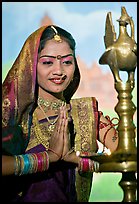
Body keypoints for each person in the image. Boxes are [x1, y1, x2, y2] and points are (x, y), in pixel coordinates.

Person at [2, 25, 119, 202]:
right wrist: (48, 158)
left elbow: (127, 158)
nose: (59, 71)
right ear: (31, 66)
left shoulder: (86, 112)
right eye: (48, 62)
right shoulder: (15, 115)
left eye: (67, 62)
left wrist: (75, 158)